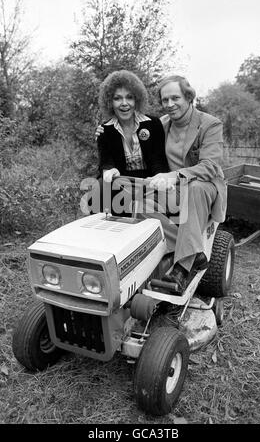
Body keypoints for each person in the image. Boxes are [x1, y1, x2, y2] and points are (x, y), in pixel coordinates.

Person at [96, 74, 227, 294]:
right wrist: (102, 131)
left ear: (189, 97)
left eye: (175, 98)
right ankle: (196, 252)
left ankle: (184, 265)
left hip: (202, 186)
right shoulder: (160, 124)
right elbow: (128, 136)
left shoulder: (210, 124)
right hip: (171, 189)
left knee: (194, 188)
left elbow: (210, 166)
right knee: (140, 205)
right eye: (165, 100)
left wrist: (175, 176)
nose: (170, 105)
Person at [90, 69, 169, 215]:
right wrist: (110, 170)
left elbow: (159, 160)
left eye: (129, 97)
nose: (124, 103)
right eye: (117, 98)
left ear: (137, 100)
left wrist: (160, 178)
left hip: (149, 182)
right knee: (98, 192)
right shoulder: (105, 130)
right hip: (122, 183)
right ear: (110, 102)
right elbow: (105, 163)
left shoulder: (153, 124)